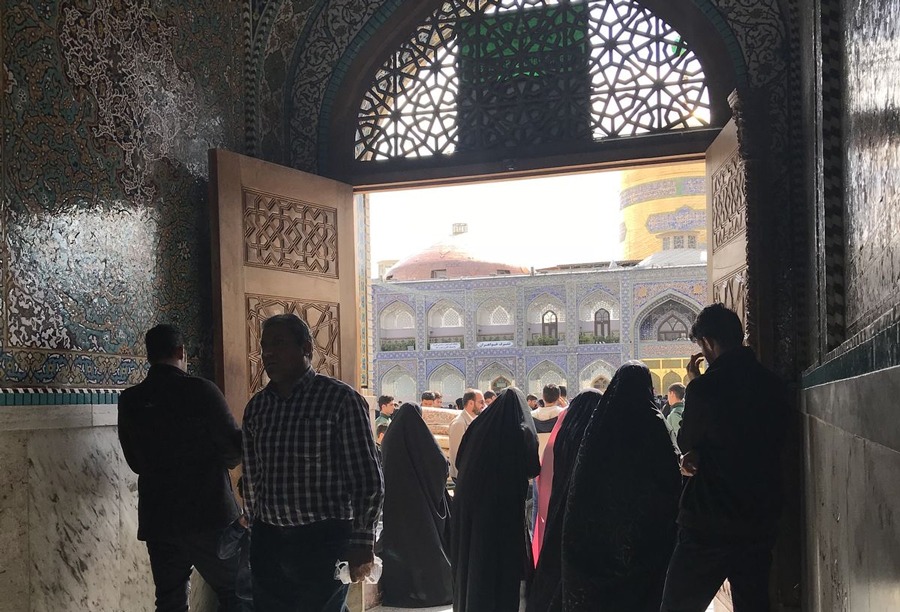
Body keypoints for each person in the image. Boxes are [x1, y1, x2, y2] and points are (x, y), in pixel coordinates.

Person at [242, 314, 384, 611]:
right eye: (264, 346)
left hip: (323, 540)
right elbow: (253, 476)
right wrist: (255, 531)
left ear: (306, 347)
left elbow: (366, 478)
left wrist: (362, 541)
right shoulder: (258, 407)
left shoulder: (339, 400)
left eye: (278, 344)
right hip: (269, 541)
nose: (268, 353)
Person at [661, 304, 789, 612]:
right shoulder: (772, 385)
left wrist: (695, 383)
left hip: (709, 520)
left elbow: (687, 439)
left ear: (706, 343)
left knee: (678, 604)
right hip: (758, 518)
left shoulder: (706, 388)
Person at [118, 324, 243, 611]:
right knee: (236, 591)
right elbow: (233, 452)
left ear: (149, 356)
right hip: (209, 514)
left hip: (159, 517)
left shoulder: (131, 399)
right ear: (180, 352)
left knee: (170, 599)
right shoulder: (201, 390)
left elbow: (134, 462)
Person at [562, 361, 681, 612]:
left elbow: (582, 480)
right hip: (645, 529)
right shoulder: (652, 420)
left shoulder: (600, 423)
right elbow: (670, 470)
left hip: (601, 529)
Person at [451, 387, 540, 612]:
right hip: (503, 507)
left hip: (470, 503)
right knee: (500, 562)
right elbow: (532, 467)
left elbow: (460, 462)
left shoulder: (478, 426)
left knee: (474, 557)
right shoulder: (521, 430)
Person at [527, 389, 604, 612]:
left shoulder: (562, 436)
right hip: (593, 516)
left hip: (562, 511)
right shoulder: (602, 435)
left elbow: (547, 475)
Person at [377, 403, 453, 607]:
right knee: (424, 547)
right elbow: (439, 464)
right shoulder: (420, 438)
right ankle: (427, 592)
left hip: (396, 505)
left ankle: (400, 591)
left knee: (401, 547)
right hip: (420, 506)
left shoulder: (390, 438)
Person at [448, 389, 484, 481]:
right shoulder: (459, 423)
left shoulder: (474, 421)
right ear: (471, 403)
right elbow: (457, 454)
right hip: (462, 477)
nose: (483, 406)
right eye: (481, 402)